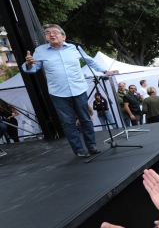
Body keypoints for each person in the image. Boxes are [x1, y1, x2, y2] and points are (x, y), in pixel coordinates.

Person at [22, 24, 115, 158]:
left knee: (85, 119)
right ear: (45, 37)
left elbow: (90, 61)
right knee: (68, 122)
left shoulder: (75, 48)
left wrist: (105, 71)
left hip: (78, 89)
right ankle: (78, 150)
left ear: (63, 36)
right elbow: (32, 69)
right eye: (48, 33)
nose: (51, 35)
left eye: (55, 32)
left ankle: (92, 146)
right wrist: (29, 63)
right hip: (58, 92)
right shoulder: (40, 50)